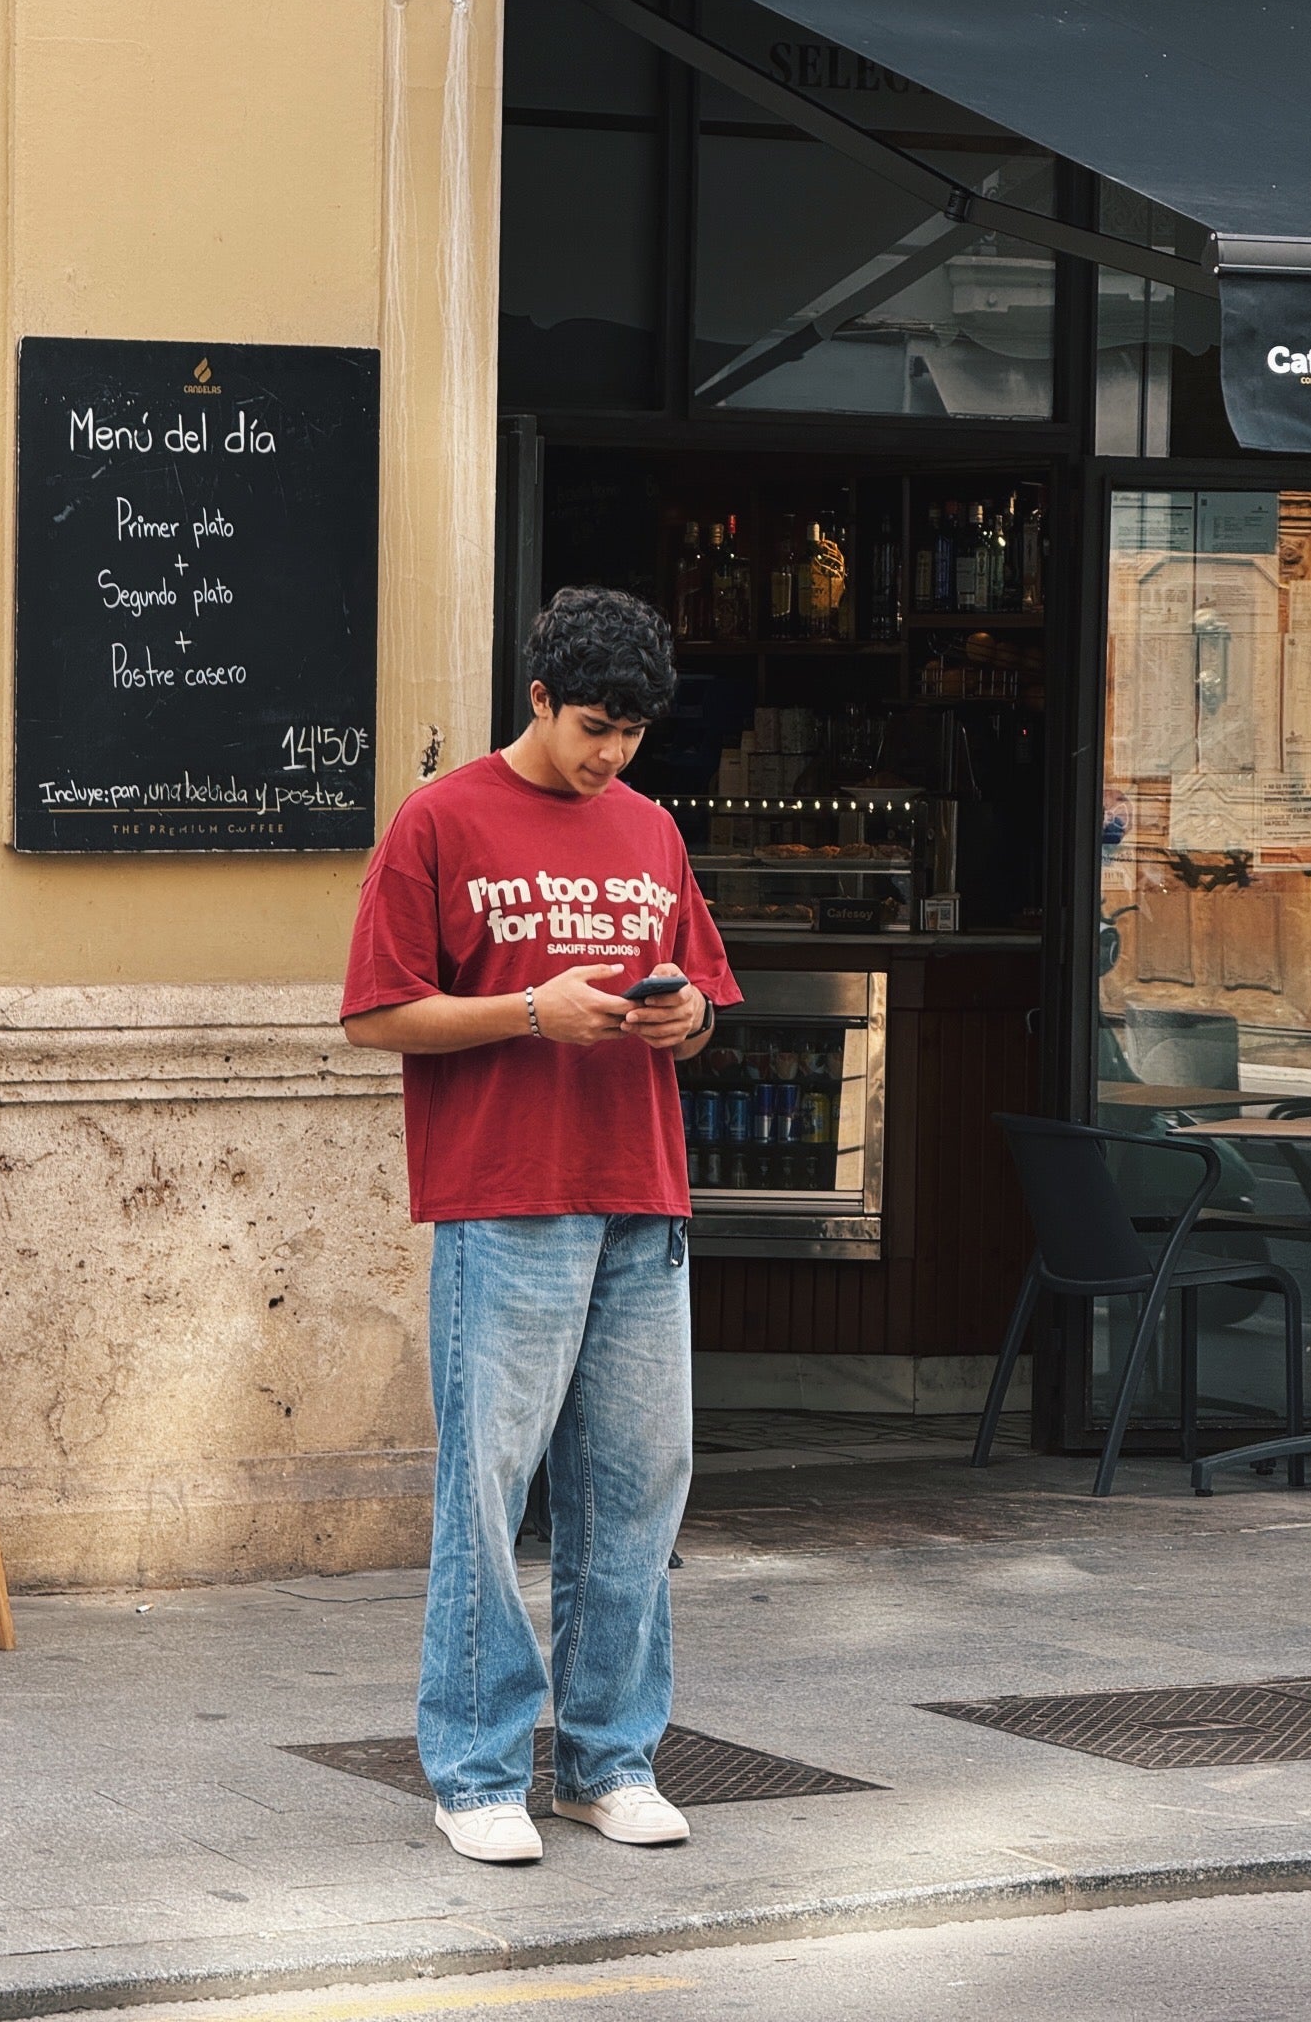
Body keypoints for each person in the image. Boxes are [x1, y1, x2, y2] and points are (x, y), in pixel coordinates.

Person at [341, 585, 741, 1865]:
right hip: (504, 1196)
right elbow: (372, 1015)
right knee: (489, 1489)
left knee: (637, 1488)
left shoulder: (653, 829)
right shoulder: (438, 818)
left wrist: (689, 1022)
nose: (609, 755)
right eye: (589, 726)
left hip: (642, 1191)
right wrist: (528, 1010)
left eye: (629, 733)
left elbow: (704, 996)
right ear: (536, 698)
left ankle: (608, 1760)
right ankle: (474, 1768)